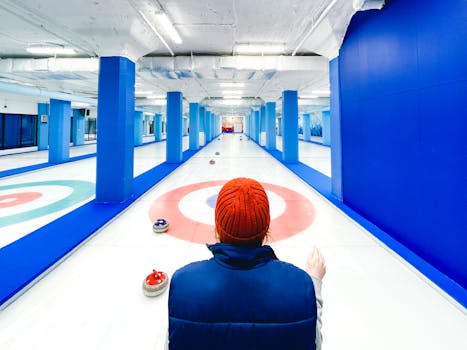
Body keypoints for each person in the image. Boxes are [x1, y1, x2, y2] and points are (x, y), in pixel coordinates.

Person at [168, 177, 325, 350]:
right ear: (266, 227)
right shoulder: (300, 284)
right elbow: (313, 343)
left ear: (218, 226)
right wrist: (314, 283)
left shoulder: (183, 283)